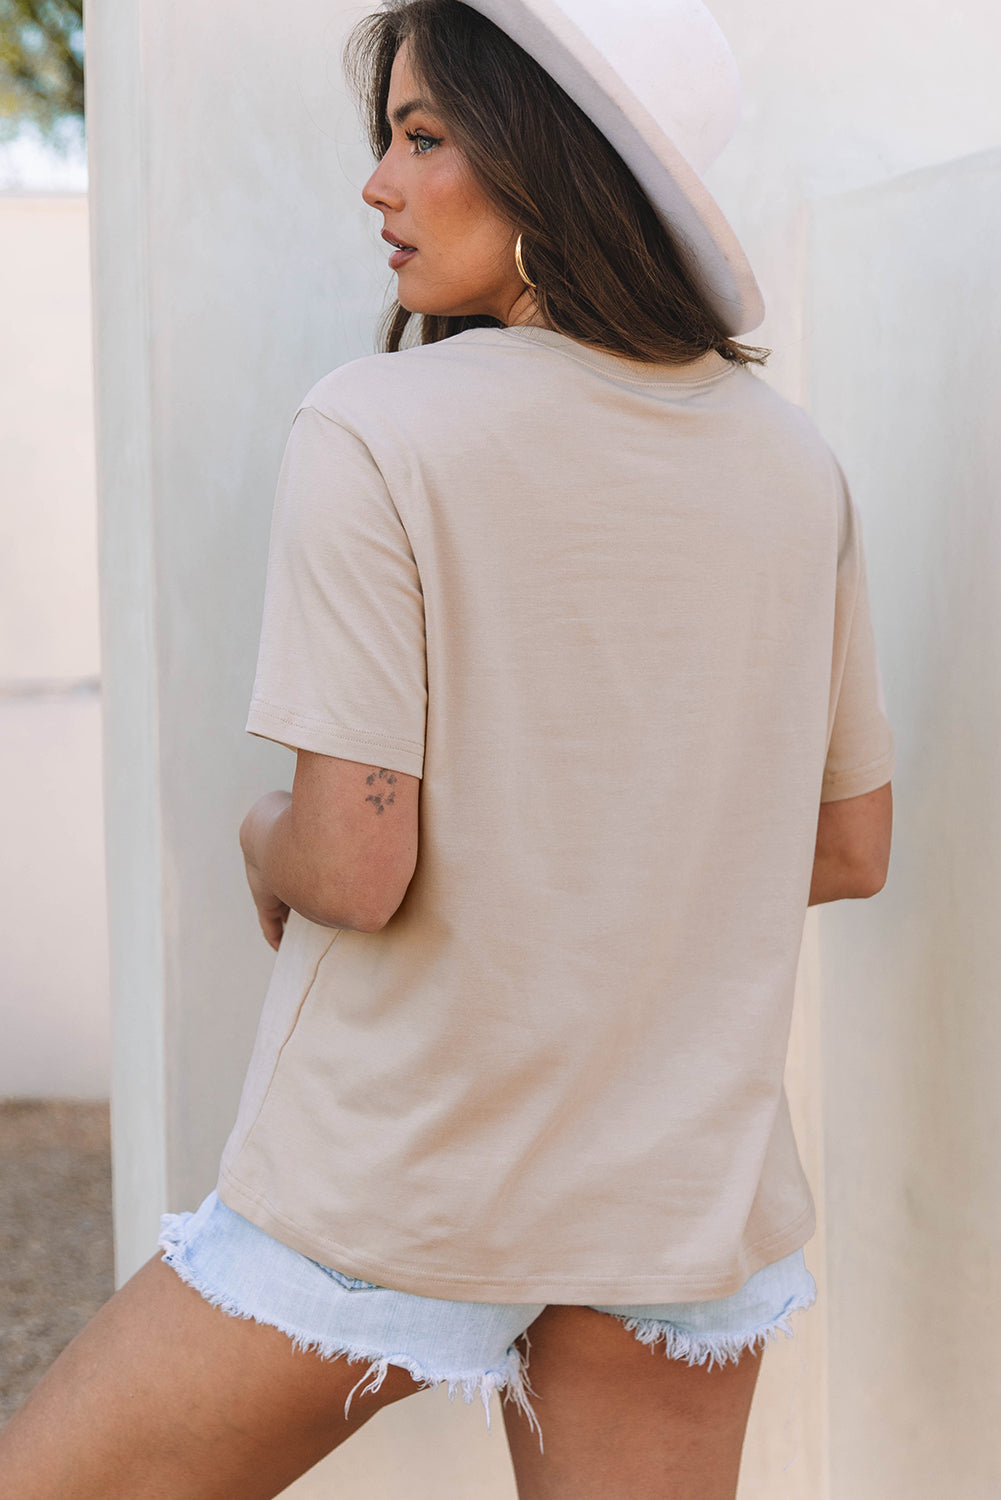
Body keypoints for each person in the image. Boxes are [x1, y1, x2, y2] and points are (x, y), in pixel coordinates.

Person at [0, 0, 895, 1496]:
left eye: (423, 137)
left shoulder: (378, 427)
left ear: (550, 155)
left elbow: (355, 863)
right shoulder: (793, 464)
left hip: (402, 1172)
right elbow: (850, 845)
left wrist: (259, 837)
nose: (378, 183)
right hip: (674, 1195)